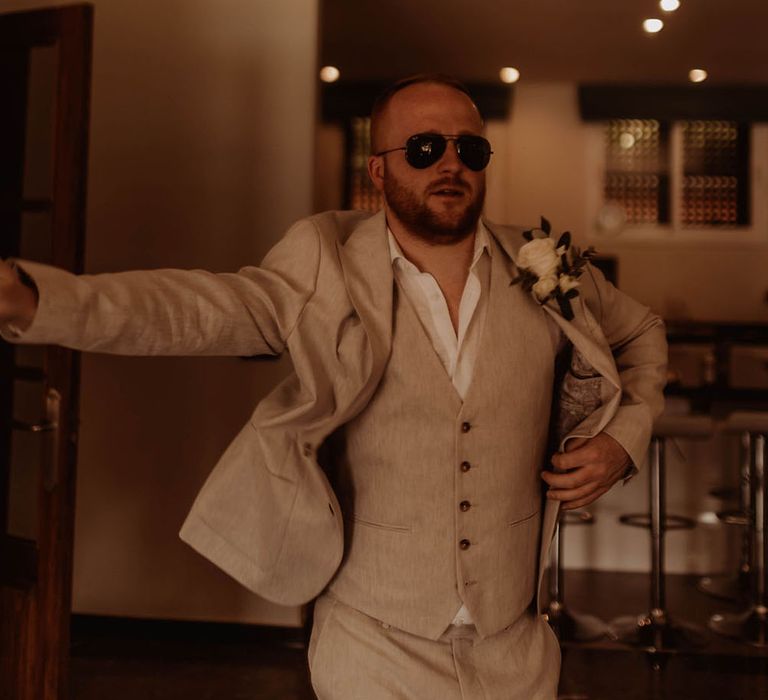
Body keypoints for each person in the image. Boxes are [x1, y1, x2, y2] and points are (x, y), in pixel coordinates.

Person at [0, 74, 667, 699]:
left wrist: (622, 439)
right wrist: (39, 302)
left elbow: (643, 335)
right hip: (372, 645)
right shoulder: (324, 267)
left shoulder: (544, 266)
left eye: (469, 147)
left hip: (516, 646)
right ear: (377, 168)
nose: (450, 164)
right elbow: (194, 308)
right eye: (425, 147)